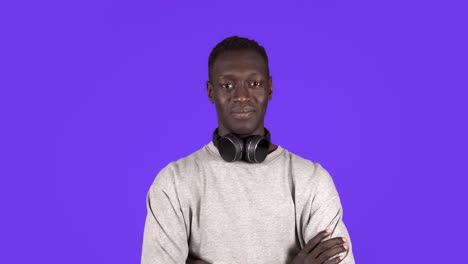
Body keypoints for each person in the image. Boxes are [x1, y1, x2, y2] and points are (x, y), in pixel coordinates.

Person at [141, 36, 355, 264]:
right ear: (210, 92)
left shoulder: (311, 179)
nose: (241, 96)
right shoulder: (173, 183)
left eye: (254, 84)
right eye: (227, 86)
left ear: (270, 88)